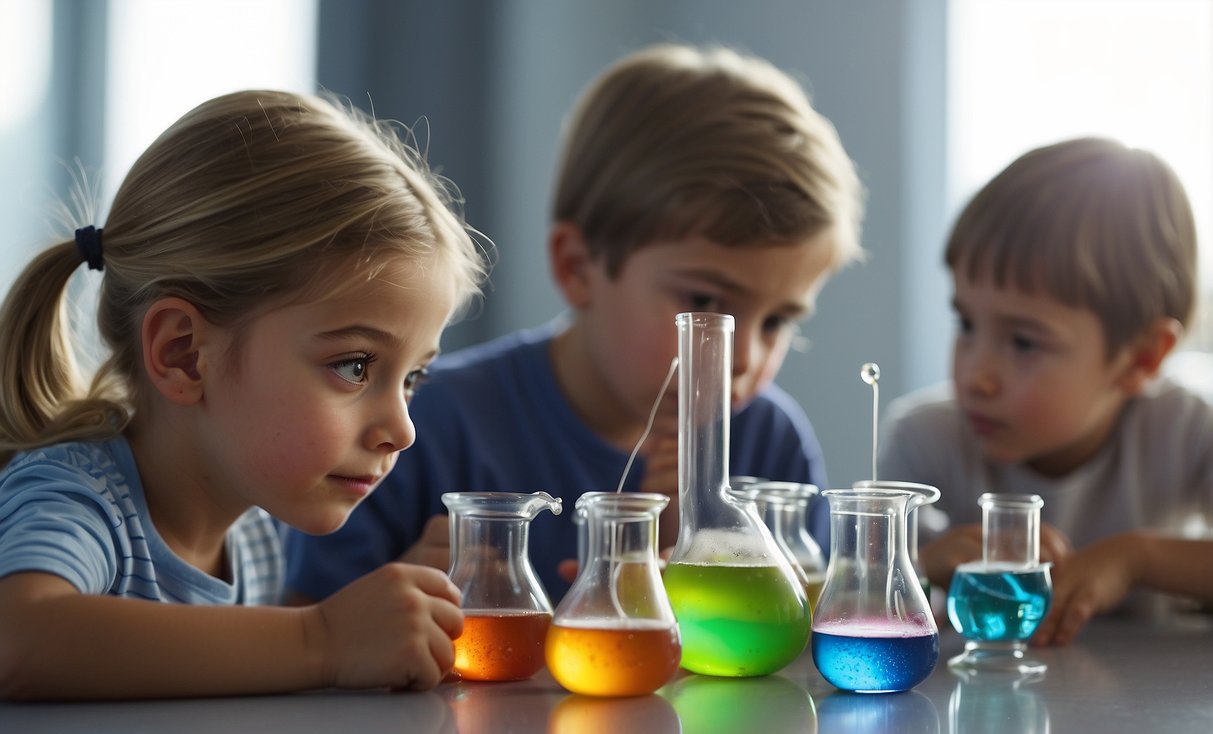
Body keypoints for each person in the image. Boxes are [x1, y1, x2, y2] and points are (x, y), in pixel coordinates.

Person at [285, 42, 866, 603]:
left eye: (779, 321)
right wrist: (406, 592)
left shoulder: (770, 446)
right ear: (577, 267)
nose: (744, 358)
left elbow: (802, 636)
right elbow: (308, 636)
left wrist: (718, 565)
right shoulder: (422, 425)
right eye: (708, 303)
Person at [0, 89, 489, 700]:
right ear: (183, 354)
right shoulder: (81, 497)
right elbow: (17, 640)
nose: (404, 428)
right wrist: (322, 640)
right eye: (355, 366)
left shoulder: (252, 536)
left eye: (412, 378)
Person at [878, 137, 1213, 646]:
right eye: (966, 323)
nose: (976, 375)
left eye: (1023, 342)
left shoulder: (1188, 429)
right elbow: (864, 595)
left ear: (1142, 357)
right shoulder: (924, 437)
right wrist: (926, 564)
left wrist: (1135, 559)